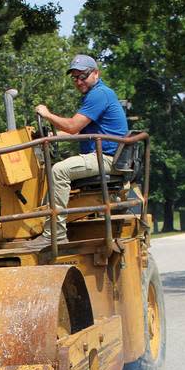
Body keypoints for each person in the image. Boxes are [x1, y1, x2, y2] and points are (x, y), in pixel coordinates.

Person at [34, 54, 128, 243]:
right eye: (75, 78)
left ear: (95, 73)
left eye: (82, 76)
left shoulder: (99, 94)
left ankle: (55, 235)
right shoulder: (94, 95)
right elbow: (77, 131)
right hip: (105, 156)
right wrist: (52, 137)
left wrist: (47, 114)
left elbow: (72, 126)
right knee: (58, 170)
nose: (78, 81)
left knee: (59, 171)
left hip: (108, 158)